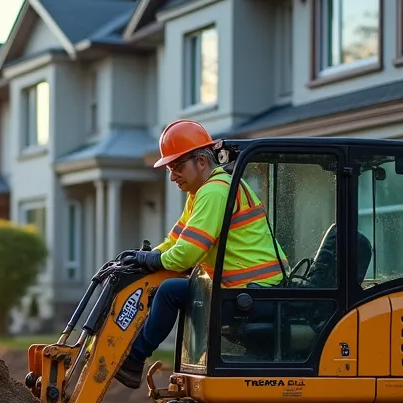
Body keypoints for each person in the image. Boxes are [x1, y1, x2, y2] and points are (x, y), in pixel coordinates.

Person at [114, 120, 286, 389]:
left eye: (178, 167)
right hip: (243, 291)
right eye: (171, 169)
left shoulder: (215, 192)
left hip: (254, 296)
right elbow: (175, 241)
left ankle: (134, 359)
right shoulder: (200, 193)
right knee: (171, 288)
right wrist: (144, 259)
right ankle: (135, 360)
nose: (173, 177)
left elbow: (187, 254)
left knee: (172, 290)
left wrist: (152, 260)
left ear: (202, 163)